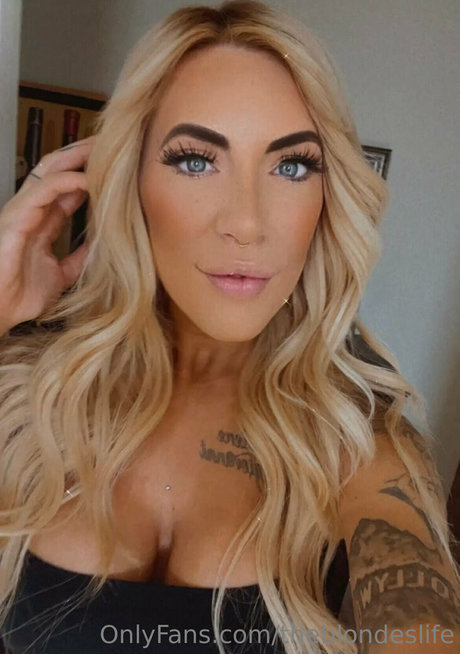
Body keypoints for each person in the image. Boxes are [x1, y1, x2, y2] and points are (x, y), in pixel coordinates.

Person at [0, 1, 459, 652]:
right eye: (196, 160)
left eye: (291, 166)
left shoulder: (361, 447)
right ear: (130, 180)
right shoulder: (26, 395)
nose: (246, 222)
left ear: (327, 199)